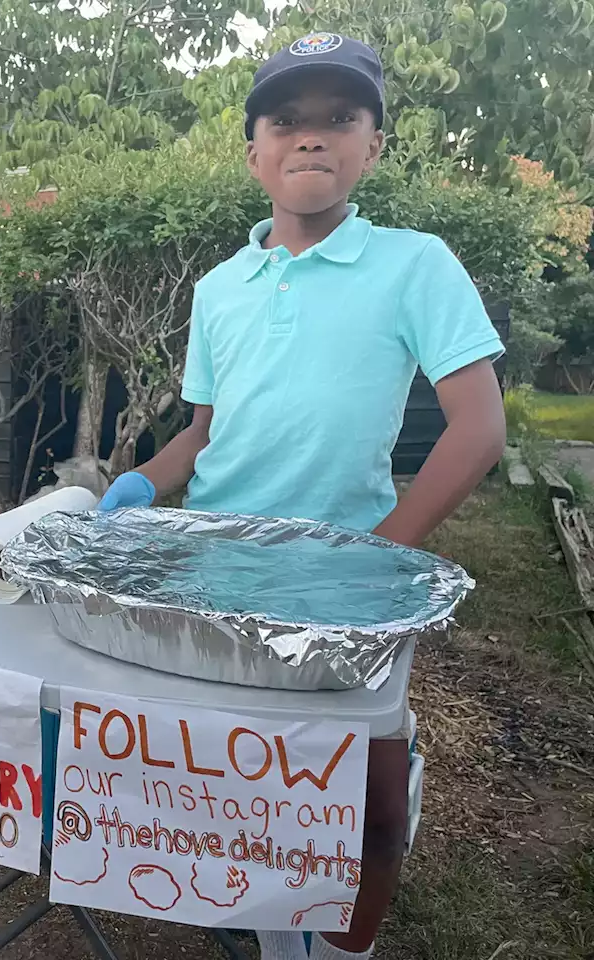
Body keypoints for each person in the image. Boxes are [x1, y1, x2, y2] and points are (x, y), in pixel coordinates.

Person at [97, 31, 506, 960]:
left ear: (373, 146)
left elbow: (478, 430)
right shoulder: (218, 289)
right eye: (288, 120)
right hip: (212, 574)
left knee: (363, 788)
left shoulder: (415, 264)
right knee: (238, 768)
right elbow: (204, 435)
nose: (312, 137)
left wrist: (382, 555)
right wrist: (137, 484)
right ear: (255, 153)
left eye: (340, 118)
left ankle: (337, 945)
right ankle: (255, 903)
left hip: (346, 586)